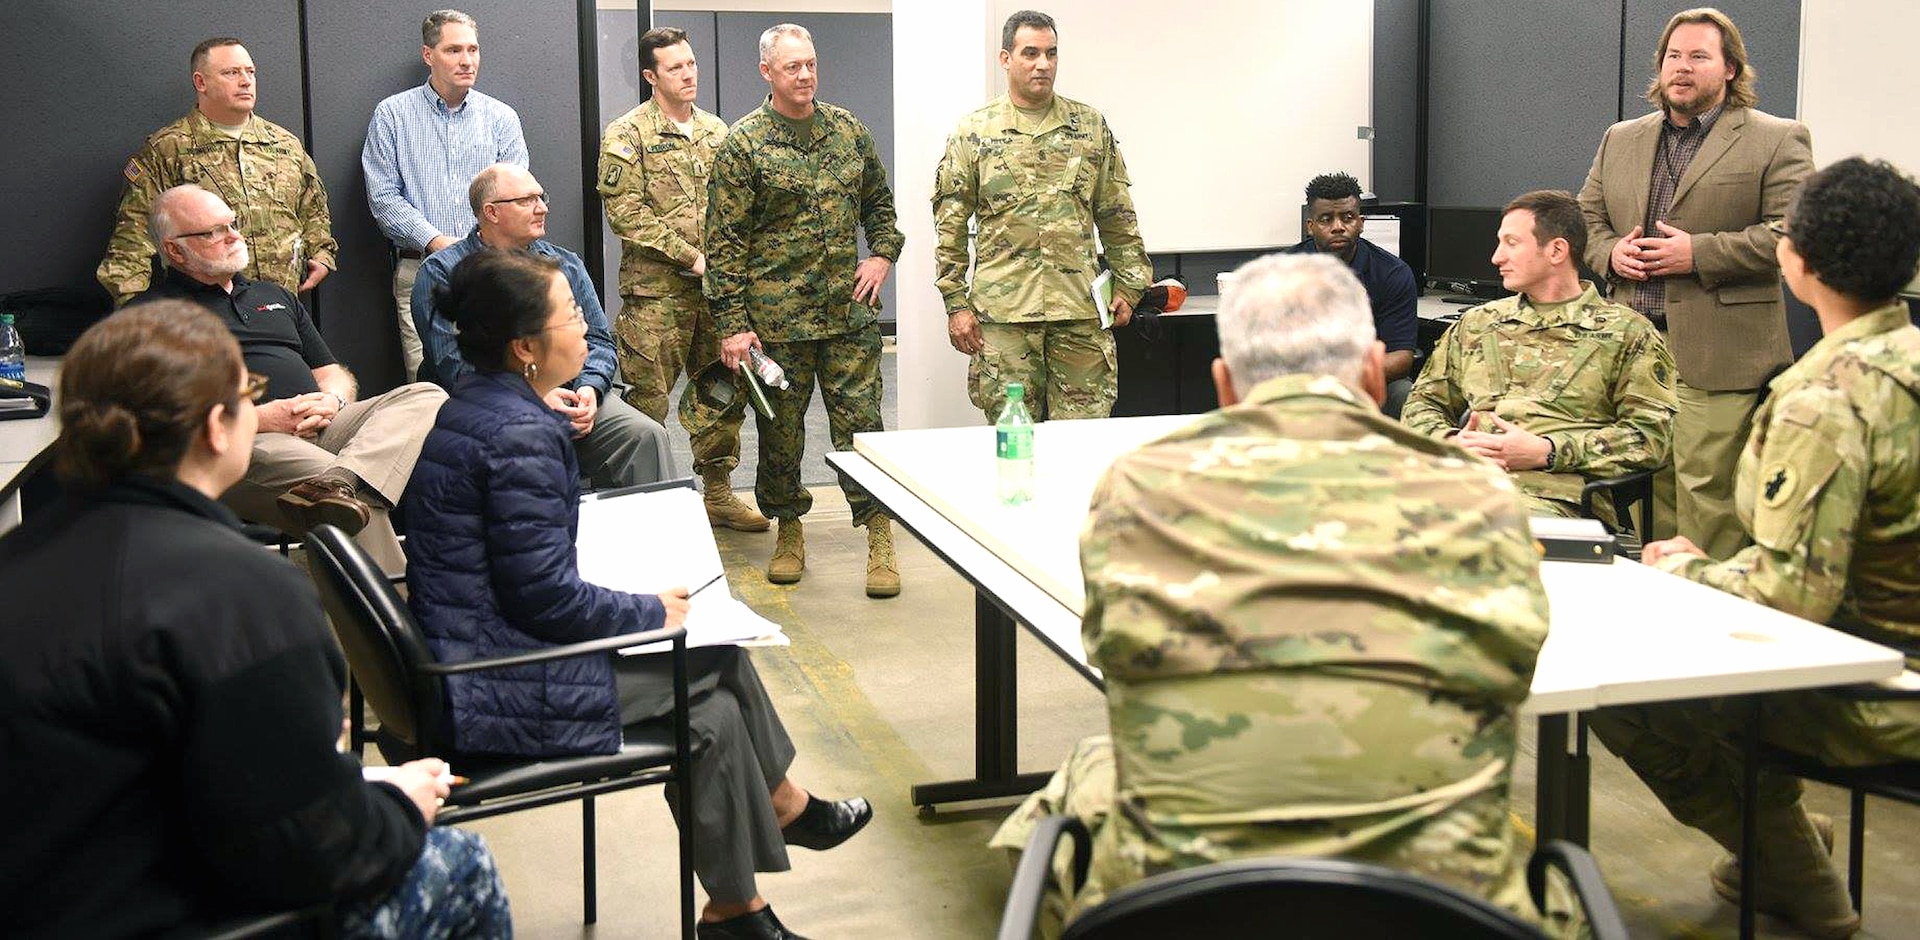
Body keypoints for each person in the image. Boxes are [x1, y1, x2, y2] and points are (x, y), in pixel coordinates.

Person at [990, 253, 1552, 933]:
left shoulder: (1142, 486)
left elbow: (1112, 653)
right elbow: (1516, 670)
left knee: (1089, 771)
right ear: (1375, 373)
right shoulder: (1480, 493)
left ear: (1225, 386)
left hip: (1180, 904)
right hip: (1448, 908)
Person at [0, 301, 509, 938]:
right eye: (248, 396)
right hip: (159, 910)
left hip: (49, 891)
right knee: (462, 864)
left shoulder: (16, 562)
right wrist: (399, 805)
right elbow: (308, 853)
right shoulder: (245, 594)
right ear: (219, 427)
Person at [405, 249, 873, 940]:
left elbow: (519, 565)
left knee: (712, 695)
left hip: (474, 651)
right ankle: (767, 839)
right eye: (570, 318)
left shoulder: (477, 406)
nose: (585, 333)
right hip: (491, 683)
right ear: (526, 348)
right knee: (710, 666)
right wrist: (649, 610)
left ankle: (743, 894)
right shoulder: (523, 434)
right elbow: (547, 600)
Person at [1589, 157, 1920, 940]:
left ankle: (1799, 879)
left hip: (1878, 698)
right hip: (1896, 667)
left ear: (1793, 259)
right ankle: (1778, 843)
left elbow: (1789, 596)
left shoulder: (1826, 401)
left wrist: (1682, 567)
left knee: (1623, 688)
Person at [1577, 7, 1813, 558]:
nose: (1681, 68)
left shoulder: (1776, 138)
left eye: (1699, 57)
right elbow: (1586, 218)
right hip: (1632, 346)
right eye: (1673, 56)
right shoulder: (1621, 138)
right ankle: (1662, 603)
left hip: (1721, 349)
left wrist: (1696, 253)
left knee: (1707, 494)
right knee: (1646, 490)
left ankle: (1714, 608)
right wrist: (1613, 254)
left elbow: (1789, 235)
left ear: (1730, 67)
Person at [133, 184, 445, 575]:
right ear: (174, 249)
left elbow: (332, 372)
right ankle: (397, 627)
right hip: (243, 442)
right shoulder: (149, 315)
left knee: (425, 393)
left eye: (232, 224)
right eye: (212, 232)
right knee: (355, 507)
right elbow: (159, 415)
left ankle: (341, 481)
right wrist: (261, 418)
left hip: (323, 424)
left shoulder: (273, 295)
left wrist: (332, 401)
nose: (232, 236)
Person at [706, 23, 905, 596]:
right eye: (792, 66)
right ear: (767, 71)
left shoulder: (848, 131)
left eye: (811, 64)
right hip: (776, 327)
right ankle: (789, 528)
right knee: (781, 433)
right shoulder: (744, 146)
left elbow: (879, 204)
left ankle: (878, 533)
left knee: (861, 428)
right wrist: (733, 325)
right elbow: (724, 244)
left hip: (849, 318)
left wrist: (882, 255)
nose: (805, 75)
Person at [1403, 190, 1676, 522]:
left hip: (1557, 498)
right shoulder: (1479, 324)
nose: (1496, 257)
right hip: (1465, 483)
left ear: (1557, 250)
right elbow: (1422, 403)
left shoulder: (1628, 333)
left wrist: (1547, 451)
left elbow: (1650, 437)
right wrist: (1451, 441)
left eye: (1511, 243)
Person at [934, 9, 1152, 423]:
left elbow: (1116, 213)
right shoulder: (974, 132)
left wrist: (1131, 283)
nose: (1043, 64)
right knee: (1014, 439)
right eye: (1030, 53)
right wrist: (955, 303)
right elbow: (950, 224)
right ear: (1005, 59)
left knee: (1083, 440)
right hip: (1004, 317)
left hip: (1080, 313)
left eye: (1051, 53)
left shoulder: (1089, 127)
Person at [413, 163, 675, 489]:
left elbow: (598, 340)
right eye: (527, 200)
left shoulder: (565, 264)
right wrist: (533, 397)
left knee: (644, 435)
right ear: (491, 212)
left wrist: (590, 389)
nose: (543, 207)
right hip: (489, 405)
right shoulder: (442, 271)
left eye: (541, 196)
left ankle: (658, 540)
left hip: (573, 396)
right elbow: (453, 364)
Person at [600, 27, 766, 532]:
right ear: (651, 76)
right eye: (675, 67)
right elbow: (626, 214)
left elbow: (741, 207)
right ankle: (640, 504)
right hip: (657, 296)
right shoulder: (627, 135)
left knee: (720, 394)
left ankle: (717, 493)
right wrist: (692, 257)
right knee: (647, 401)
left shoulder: (719, 132)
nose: (688, 73)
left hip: (717, 298)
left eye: (691, 63)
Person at [98, 37, 334, 306]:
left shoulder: (284, 144)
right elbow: (132, 239)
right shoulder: (168, 149)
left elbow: (313, 207)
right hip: (205, 314)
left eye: (250, 72)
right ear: (201, 82)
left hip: (281, 307)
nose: (245, 81)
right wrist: (136, 317)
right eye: (231, 73)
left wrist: (321, 252)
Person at [364, 8, 528, 379]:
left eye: (473, 49)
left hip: (494, 270)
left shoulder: (501, 118)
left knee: (506, 381)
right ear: (428, 55)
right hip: (423, 273)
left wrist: (477, 247)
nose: (467, 60)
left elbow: (517, 196)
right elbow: (384, 198)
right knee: (430, 392)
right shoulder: (393, 115)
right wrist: (440, 243)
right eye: (454, 50)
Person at [1281, 171, 1418, 416]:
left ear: (1361, 223)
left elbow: (1401, 357)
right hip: (1303, 384)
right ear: (1310, 227)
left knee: (1404, 394)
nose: (1338, 227)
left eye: (1347, 218)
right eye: (1326, 219)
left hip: (1367, 382)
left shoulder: (1392, 273)